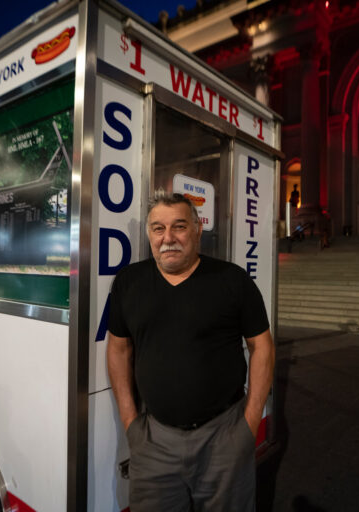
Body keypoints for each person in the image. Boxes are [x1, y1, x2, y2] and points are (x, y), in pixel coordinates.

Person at [106, 191, 275, 511]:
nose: (168, 237)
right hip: (153, 442)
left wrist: (249, 425)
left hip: (224, 437)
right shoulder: (129, 282)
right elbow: (118, 349)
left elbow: (262, 346)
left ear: (197, 230)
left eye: (179, 226)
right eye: (158, 228)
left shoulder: (232, 281)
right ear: (149, 234)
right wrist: (131, 424)